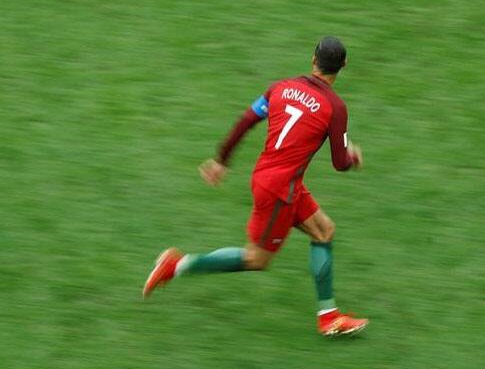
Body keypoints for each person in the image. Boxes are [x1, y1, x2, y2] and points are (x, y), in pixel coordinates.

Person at [143, 36, 368, 336]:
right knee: (256, 259)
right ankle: (177, 265)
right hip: (280, 190)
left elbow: (247, 120)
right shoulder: (335, 108)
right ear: (343, 66)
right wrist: (352, 156)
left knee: (324, 230)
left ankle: (329, 316)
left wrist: (222, 159)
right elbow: (340, 163)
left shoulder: (281, 87)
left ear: (313, 59)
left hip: (272, 178)